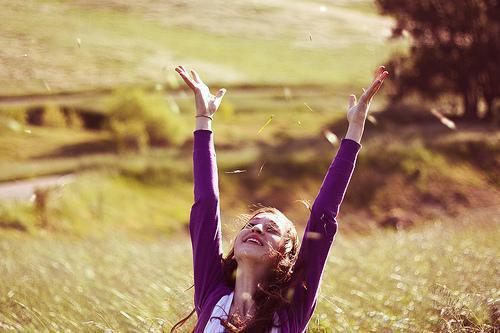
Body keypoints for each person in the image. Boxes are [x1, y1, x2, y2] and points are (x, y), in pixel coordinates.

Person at [172, 65, 389, 332]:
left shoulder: (291, 309)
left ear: (285, 254)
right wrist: (203, 118)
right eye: (251, 225)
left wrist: (355, 128)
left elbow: (324, 214)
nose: (258, 228)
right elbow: (206, 205)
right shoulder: (212, 294)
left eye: (272, 229)